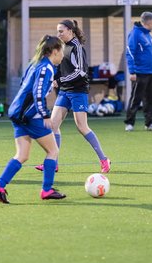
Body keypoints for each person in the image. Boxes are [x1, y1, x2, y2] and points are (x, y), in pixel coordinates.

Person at [0, 35, 66, 204]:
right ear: (54, 51)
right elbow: (37, 93)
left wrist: (48, 85)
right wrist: (45, 114)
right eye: (62, 51)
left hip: (17, 113)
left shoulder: (35, 63)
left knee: (22, 155)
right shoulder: (47, 68)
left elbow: (27, 83)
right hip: (32, 116)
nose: (63, 55)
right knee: (53, 151)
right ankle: (47, 190)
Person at [35, 19, 111, 173]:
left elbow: (81, 72)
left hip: (78, 91)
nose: (59, 34)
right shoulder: (62, 46)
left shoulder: (77, 47)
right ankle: (53, 163)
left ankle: (104, 160)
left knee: (82, 127)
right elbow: (61, 67)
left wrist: (60, 80)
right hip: (65, 91)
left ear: (70, 30)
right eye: (58, 31)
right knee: (53, 126)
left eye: (61, 31)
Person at [124, 12, 152, 131]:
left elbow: (150, 54)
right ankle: (129, 123)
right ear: (148, 22)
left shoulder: (148, 35)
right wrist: (132, 71)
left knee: (150, 99)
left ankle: (149, 123)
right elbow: (130, 52)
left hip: (149, 72)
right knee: (136, 99)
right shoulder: (135, 34)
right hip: (139, 72)